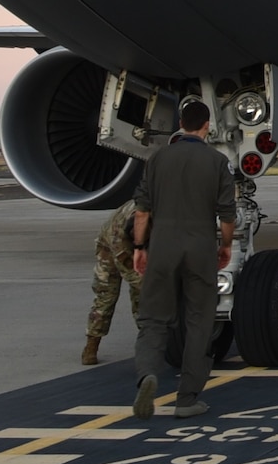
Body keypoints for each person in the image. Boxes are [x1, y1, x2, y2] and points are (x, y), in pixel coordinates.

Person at [130, 100, 236, 420]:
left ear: (180, 123)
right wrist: (226, 246)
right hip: (200, 249)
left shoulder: (158, 158)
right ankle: (187, 398)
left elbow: (142, 211)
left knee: (153, 318)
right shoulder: (216, 161)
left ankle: (148, 374)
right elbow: (227, 215)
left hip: (162, 247)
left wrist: (139, 246)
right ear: (207, 126)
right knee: (199, 322)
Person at [83, 198, 142, 365]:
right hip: (109, 248)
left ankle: (148, 343)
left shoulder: (153, 214)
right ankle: (91, 346)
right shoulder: (120, 234)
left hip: (137, 245)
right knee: (106, 296)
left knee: (142, 298)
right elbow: (130, 269)